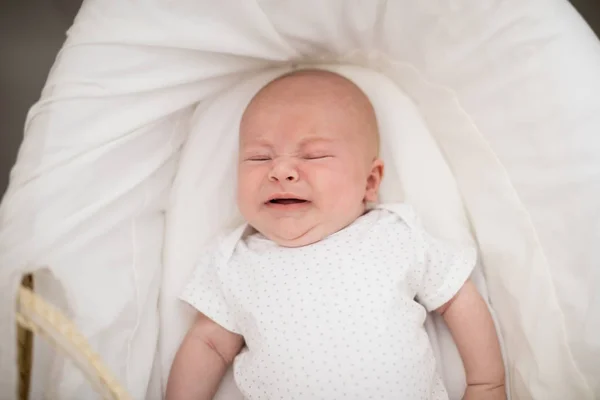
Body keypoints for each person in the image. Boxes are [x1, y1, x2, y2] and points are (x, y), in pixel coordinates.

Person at [166, 69, 505, 400]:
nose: (280, 171)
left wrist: (486, 384)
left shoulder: (394, 235)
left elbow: (457, 296)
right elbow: (209, 344)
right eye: (259, 157)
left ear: (370, 182)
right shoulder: (233, 261)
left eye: (313, 155)